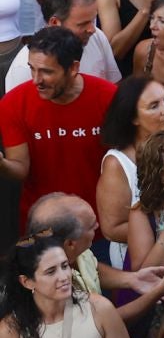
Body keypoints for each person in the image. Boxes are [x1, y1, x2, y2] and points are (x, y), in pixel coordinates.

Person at [0, 28, 117, 225]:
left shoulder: (109, 97)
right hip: (42, 226)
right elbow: (21, 168)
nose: (36, 80)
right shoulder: (13, 103)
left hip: (100, 222)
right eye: (32, 69)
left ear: (73, 68)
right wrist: (2, 164)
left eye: (46, 71)